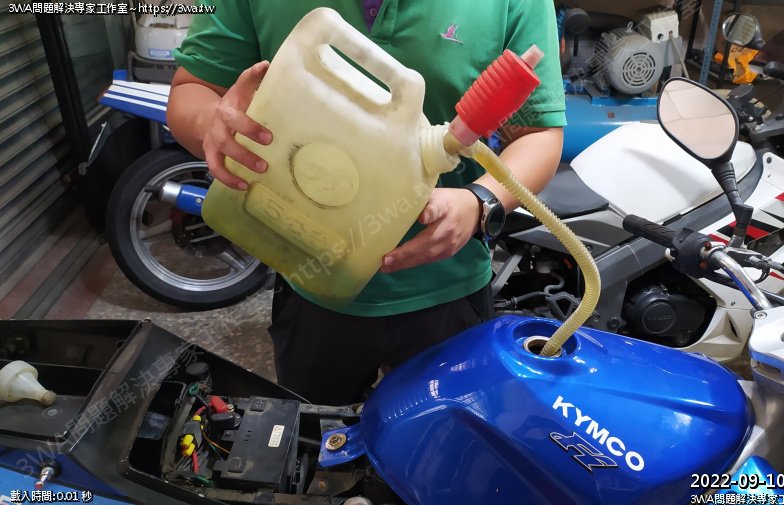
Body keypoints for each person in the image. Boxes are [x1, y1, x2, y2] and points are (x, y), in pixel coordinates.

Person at [167, 0, 565, 405]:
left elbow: (538, 134)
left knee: (440, 439)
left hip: (447, 291)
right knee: (309, 435)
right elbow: (193, 89)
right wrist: (211, 123)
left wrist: (479, 201)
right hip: (306, 275)